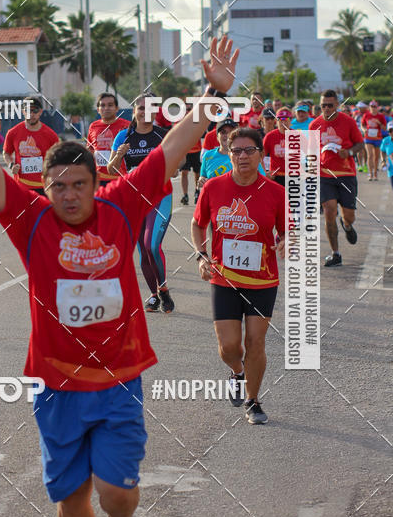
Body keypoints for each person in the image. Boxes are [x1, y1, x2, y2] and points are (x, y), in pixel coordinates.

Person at [0, 37, 240, 517]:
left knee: (116, 491)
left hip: (120, 377)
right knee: (71, 496)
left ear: (96, 182)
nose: (71, 196)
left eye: (81, 184)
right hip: (54, 385)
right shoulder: (29, 221)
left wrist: (213, 92)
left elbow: (174, 147)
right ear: (44, 189)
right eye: (60, 187)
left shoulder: (122, 203)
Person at [191, 127, 286, 425]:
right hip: (224, 278)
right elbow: (198, 224)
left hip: (262, 279)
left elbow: (288, 231)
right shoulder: (213, 188)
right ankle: (236, 371)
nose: (242, 156)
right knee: (230, 347)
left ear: (260, 154)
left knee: (256, 342)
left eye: (249, 150)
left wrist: (286, 241)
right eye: (237, 151)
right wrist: (201, 254)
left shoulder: (275, 192)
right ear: (228, 153)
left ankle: (253, 400)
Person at [108, 97, 174, 313]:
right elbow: (111, 169)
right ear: (134, 111)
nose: (146, 112)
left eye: (150, 108)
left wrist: (168, 165)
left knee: (152, 245)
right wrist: (119, 155)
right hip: (133, 200)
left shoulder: (163, 135)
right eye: (141, 108)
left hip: (159, 197)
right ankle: (154, 295)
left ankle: (163, 288)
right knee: (142, 252)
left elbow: (176, 164)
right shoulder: (123, 136)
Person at [309, 90, 364, 267]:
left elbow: (360, 144)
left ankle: (347, 225)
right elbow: (310, 150)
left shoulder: (347, 122)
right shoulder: (314, 125)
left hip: (346, 174)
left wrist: (347, 152)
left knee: (349, 216)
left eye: (329, 105)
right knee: (329, 211)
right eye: (323, 105)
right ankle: (335, 253)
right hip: (324, 175)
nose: (326, 108)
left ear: (337, 105)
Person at [3, 97, 59, 194]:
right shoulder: (13, 132)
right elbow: (6, 153)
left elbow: (59, 157)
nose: (31, 114)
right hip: (22, 185)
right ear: (23, 112)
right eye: (28, 111)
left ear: (40, 112)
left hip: (44, 186)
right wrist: (11, 165)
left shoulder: (50, 135)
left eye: (35, 111)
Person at [86, 92, 130, 187]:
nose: (106, 108)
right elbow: (90, 151)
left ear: (117, 108)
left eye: (110, 105)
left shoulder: (127, 126)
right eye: (102, 105)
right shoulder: (93, 126)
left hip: (120, 179)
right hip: (99, 180)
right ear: (98, 109)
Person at [263, 108, 292, 186]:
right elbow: (260, 157)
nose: (283, 122)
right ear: (276, 121)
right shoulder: (269, 136)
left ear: (290, 120)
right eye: (280, 119)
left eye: (286, 119)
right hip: (276, 176)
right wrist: (265, 172)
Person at [361, 100, 388, 181]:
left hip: (377, 138)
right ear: (369, 107)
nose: (373, 108)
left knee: (376, 157)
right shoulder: (366, 115)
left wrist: (379, 123)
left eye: (374, 106)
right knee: (370, 156)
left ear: (377, 107)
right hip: (368, 138)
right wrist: (364, 129)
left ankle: (375, 173)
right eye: (371, 106)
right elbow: (362, 125)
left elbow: (384, 128)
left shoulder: (381, 116)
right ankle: (370, 174)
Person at [380, 122, 393, 191]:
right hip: (391, 170)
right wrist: (383, 161)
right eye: (390, 131)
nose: (392, 132)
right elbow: (382, 151)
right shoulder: (385, 140)